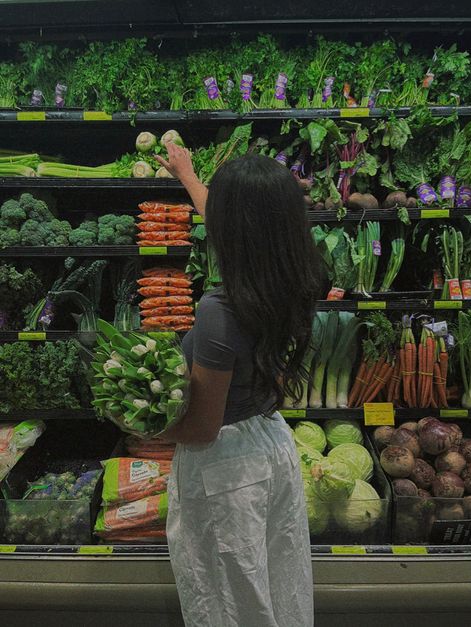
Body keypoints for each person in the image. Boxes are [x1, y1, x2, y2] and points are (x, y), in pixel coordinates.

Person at [155, 143, 321, 627]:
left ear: (230, 229)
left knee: (230, 602)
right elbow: (246, 224)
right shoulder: (295, 276)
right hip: (270, 445)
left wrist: (145, 427)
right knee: (277, 588)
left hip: (226, 472)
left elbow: (202, 428)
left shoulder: (217, 313)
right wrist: (187, 174)